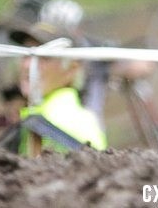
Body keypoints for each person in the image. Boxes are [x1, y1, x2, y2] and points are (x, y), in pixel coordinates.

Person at [7, 19, 107, 153]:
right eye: (27, 55)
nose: (28, 65)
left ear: (71, 69)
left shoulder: (70, 122)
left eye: (44, 57)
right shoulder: (36, 113)